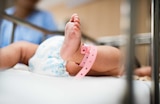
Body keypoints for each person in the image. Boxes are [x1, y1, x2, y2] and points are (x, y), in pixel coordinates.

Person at [0, 14, 149, 77]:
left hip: (46, 49)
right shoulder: (118, 69)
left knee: (20, 48)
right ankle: (78, 52)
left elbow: (145, 71)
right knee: (119, 58)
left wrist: (141, 71)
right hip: (70, 59)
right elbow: (145, 71)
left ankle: (78, 52)